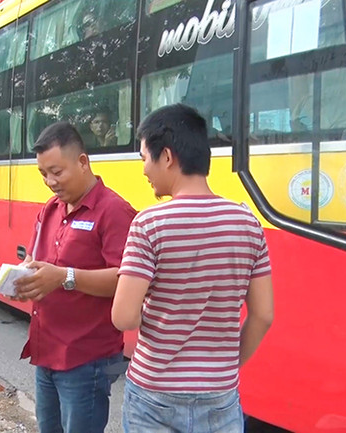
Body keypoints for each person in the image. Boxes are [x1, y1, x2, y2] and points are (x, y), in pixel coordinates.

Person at [111, 104, 274, 433]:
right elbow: (263, 315)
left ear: (167, 157)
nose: (144, 170)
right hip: (219, 394)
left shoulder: (149, 224)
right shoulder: (248, 224)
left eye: (145, 158)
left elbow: (123, 317)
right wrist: (225, 368)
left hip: (154, 392)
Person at [12, 121, 137, 433]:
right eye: (43, 174)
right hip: (46, 350)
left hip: (86, 358)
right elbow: (36, 262)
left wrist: (66, 277)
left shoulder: (114, 211)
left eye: (57, 172)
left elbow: (127, 280)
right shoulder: (50, 210)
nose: (50, 181)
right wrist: (22, 281)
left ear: (83, 162)